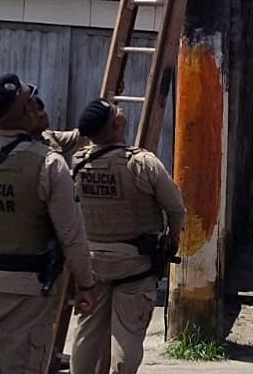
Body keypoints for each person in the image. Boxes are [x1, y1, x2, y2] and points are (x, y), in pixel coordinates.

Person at [0, 74, 97, 374]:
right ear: (26, 112)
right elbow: (71, 235)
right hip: (27, 291)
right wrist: (86, 284)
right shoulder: (49, 164)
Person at [70, 99, 186, 374]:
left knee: (87, 332)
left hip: (92, 261)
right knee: (128, 335)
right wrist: (173, 238)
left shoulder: (78, 160)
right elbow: (176, 208)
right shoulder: (142, 163)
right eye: (115, 112)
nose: (121, 113)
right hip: (135, 263)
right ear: (114, 125)